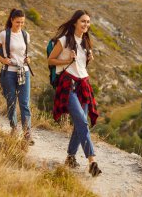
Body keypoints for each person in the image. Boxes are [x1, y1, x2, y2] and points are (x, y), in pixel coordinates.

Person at [47, 10, 101, 176]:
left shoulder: (85, 41)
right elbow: (50, 60)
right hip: (67, 84)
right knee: (82, 122)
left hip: (83, 84)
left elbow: (81, 67)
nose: (86, 24)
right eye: (83, 21)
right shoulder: (64, 40)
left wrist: (88, 59)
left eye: (88, 22)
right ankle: (92, 161)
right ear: (75, 23)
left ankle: (70, 157)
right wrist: (67, 60)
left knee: (80, 124)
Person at [0, 9, 34, 145]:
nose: (20, 24)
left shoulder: (26, 35)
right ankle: (14, 128)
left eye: (22, 22)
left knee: (24, 103)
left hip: (24, 71)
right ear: (11, 20)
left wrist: (28, 59)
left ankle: (27, 133)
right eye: (17, 22)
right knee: (11, 102)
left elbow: (25, 53)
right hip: (8, 72)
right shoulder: (4, 34)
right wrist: (2, 60)